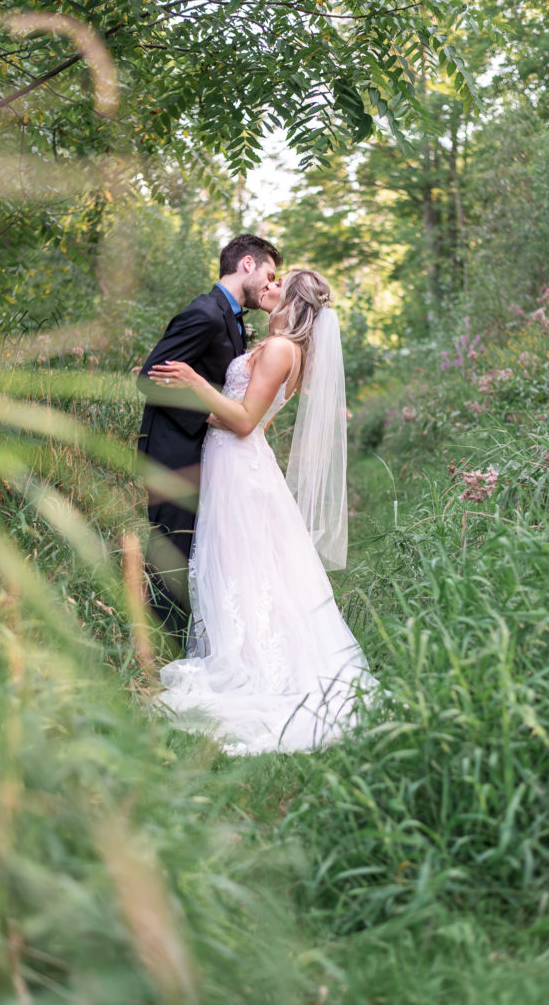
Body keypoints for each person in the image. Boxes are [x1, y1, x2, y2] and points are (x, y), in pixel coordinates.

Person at [147, 269, 377, 754]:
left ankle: (254, 665)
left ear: (291, 301)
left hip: (239, 463)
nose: (268, 288)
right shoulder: (287, 351)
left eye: (279, 284)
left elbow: (247, 421)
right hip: (239, 464)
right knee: (251, 567)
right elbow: (242, 412)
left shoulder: (279, 350)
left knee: (240, 565)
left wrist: (192, 380)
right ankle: (253, 650)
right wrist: (205, 406)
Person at [137, 234, 282, 649]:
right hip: (173, 454)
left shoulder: (232, 318)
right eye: (270, 274)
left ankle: (182, 648)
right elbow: (149, 378)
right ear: (248, 264)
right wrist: (211, 417)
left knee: (193, 555)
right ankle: (157, 656)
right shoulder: (204, 312)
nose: (272, 284)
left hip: (205, 455)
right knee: (171, 552)